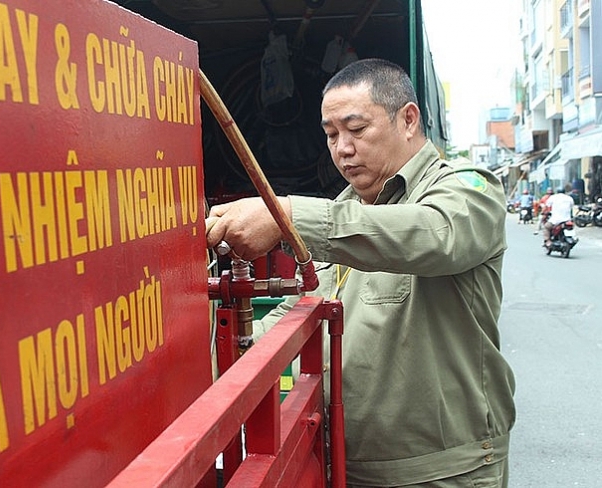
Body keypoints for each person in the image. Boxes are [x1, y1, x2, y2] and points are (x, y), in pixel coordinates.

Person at [206, 59, 515, 487]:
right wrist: (213, 366)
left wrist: (289, 216)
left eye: (356, 129)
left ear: (408, 120)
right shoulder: (350, 209)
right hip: (345, 464)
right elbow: (306, 309)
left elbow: (434, 235)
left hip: (442, 471)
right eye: (331, 135)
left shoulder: (467, 189)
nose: (342, 149)